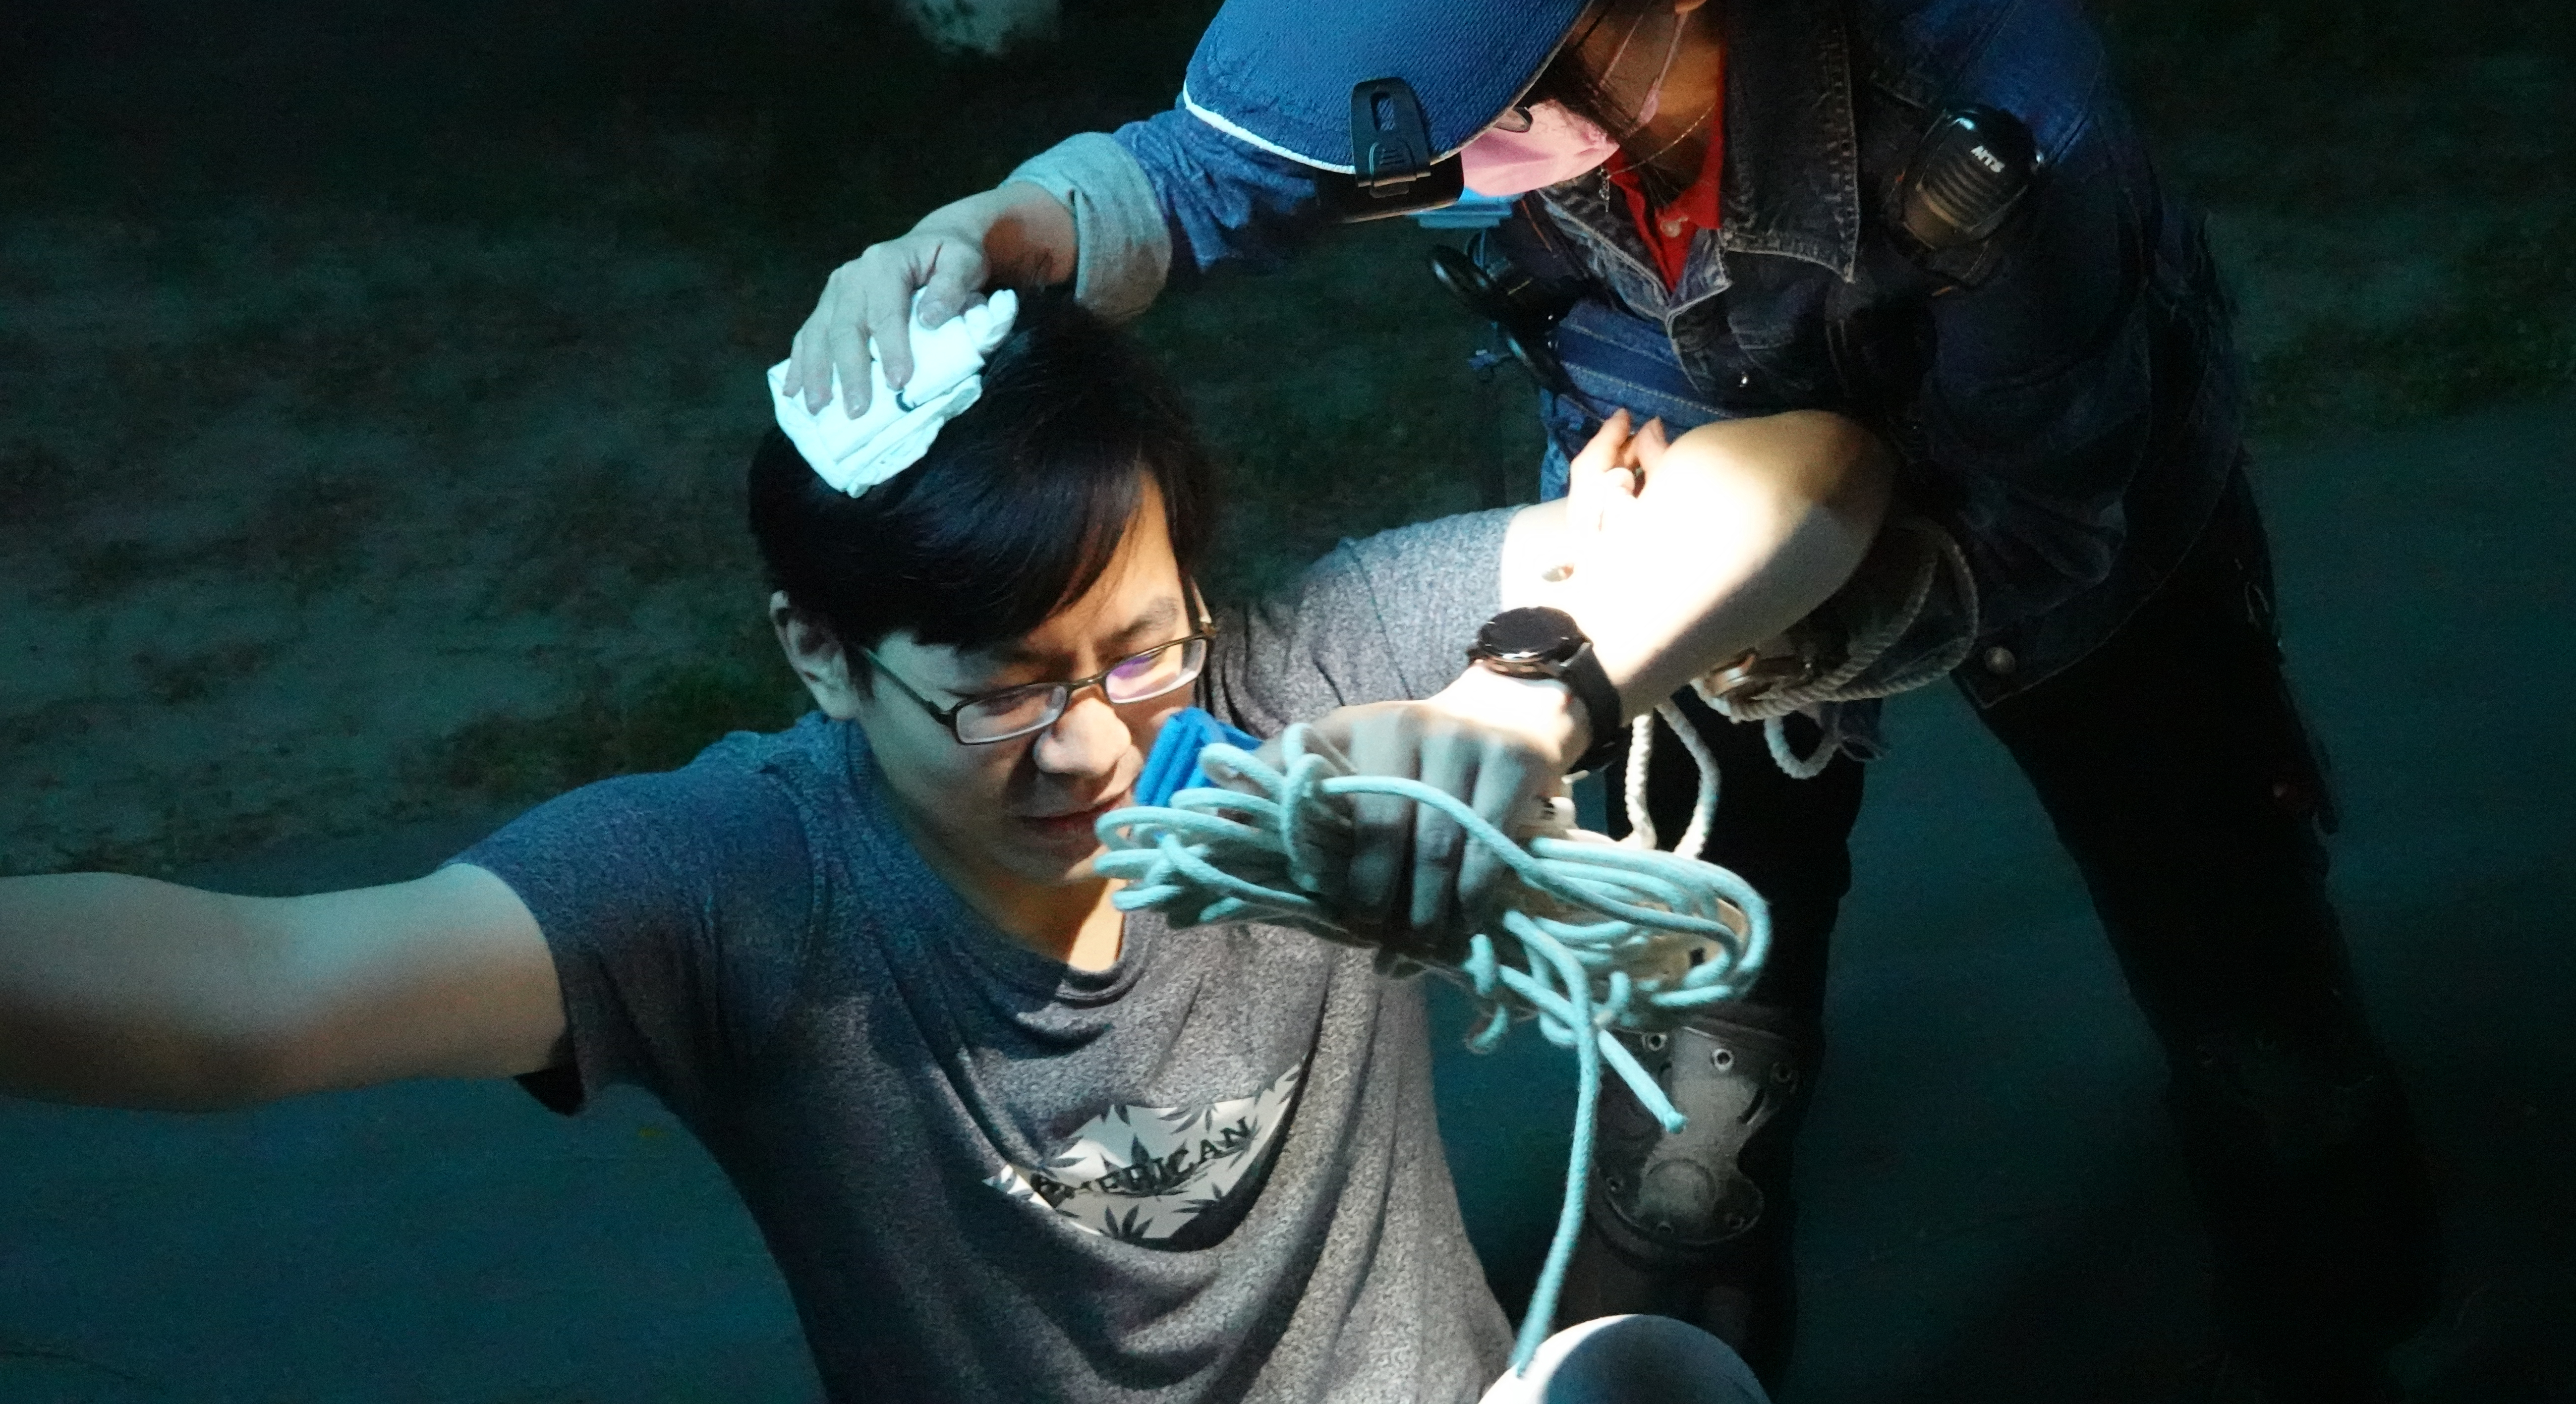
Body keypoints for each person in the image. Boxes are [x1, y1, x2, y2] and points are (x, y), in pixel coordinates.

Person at [779, 0, 2442, 1399]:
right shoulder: (1475, 32)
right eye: (1391, 33)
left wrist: (1653, 625)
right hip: (1645, 528)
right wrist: (997, 230)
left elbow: (2051, 522)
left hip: (2062, 526)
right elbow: (1217, 169)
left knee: (2231, 942)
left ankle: (2346, 1303)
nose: (1427, 119)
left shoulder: (1995, 108)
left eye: (1486, 63)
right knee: (1694, 1085)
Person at [0, 289, 1882, 1403]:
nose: (1089, 742)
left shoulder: (1319, 686)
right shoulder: (736, 887)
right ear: (819, 652)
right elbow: (258, 1000)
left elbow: (1819, 488)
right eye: (997, 690)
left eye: (1137, 649)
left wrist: (1524, 693)